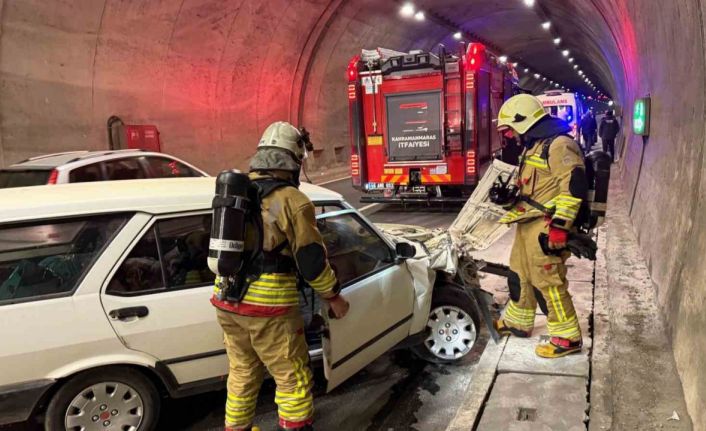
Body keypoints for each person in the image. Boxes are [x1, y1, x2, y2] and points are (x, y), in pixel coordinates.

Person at [211, 121, 350, 431]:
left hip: (226, 299)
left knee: (243, 372)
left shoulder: (238, 193)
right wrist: (333, 296)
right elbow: (311, 262)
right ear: (294, 161)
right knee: (292, 377)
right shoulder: (292, 200)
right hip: (269, 307)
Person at [493, 94, 587, 358]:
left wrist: (560, 227)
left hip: (546, 226)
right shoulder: (534, 145)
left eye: (510, 129)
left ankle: (567, 338)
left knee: (548, 281)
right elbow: (535, 185)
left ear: (524, 121)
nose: (509, 135)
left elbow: (573, 187)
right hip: (528, 223)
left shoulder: (559, 146)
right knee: (519, 274)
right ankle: (518, 322)